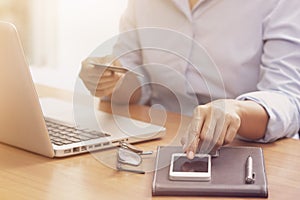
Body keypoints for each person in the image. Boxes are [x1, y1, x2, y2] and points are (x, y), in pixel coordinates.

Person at [80, 0, 300, 159]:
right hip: (157, 142)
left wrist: (238, 110)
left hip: (241, 150)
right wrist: (111, 80)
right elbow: (134, 76)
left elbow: (287, 99)